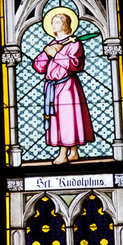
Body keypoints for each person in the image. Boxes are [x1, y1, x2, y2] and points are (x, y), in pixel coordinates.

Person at [32, 12, 94, 164]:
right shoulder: (53, 44)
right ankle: (73, 152)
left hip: (67, 86)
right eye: (52, 22)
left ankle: (63, 154)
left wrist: (57, 54)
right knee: (58, 119)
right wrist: (47, 53)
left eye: (57, 22)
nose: (53, 25)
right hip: (52, 87)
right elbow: (38, 67)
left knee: (67, 119)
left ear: (66, 25)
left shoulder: (74, 43)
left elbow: (76, 65)